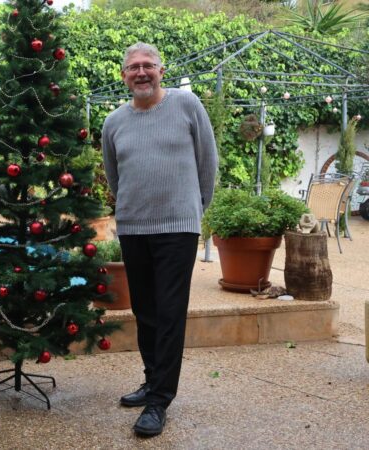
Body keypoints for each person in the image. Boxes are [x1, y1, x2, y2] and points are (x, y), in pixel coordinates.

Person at [101, 43, 218, 437]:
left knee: (169, 313)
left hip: (177, 228)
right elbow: (114, 176)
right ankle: (152, 380)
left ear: (161, 70)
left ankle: (159, 400)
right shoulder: (114, 122)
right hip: (135, 227)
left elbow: (208, 163)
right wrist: (131, 209)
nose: (141, 72)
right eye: (133, 67)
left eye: (147, 65)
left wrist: (193, 211)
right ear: (124, 76)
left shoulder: (187, 106)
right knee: (146, 312)